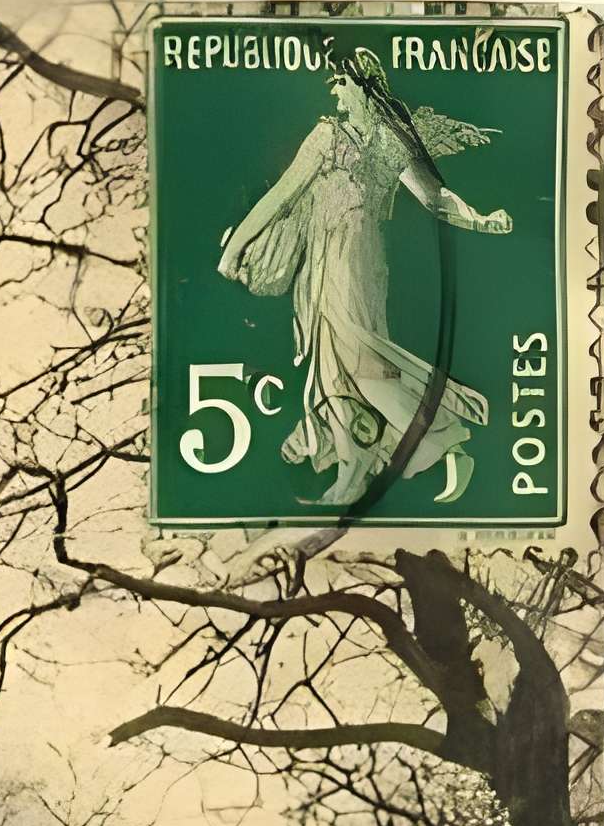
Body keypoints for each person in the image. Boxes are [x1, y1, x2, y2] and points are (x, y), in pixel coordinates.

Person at [217, 49, 512, 506]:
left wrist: (480, 219)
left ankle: (443, 437)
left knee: (353, 364)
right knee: (343, 369)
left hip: (345, 266)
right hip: (346, 266)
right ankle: (356, 468)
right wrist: (479, 219)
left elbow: (433, 198)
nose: (333, 90)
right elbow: (286, 197)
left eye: (339, 81)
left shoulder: (334, 138)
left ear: (361, 85)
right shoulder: (369, 140)